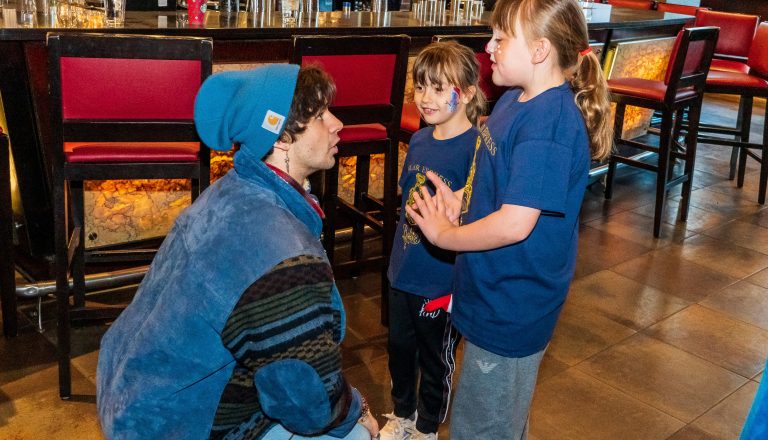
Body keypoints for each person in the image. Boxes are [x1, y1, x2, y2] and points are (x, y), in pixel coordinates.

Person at [96, 64, 380, 440]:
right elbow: (309, 404)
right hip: (174, 425)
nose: (337, 123)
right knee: (357, 435)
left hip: (129, 395)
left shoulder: (231, 193)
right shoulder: (282, 254)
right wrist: (358, 410)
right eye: (319, 116)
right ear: (280, 138)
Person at [405, 0, 612, 439]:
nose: (489, 46)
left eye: (501, 39)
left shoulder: (550, 123)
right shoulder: (513, 102)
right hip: (490, 291)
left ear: (539, 51)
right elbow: (497, 179)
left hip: (513, 305)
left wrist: (446, 234)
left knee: (483, 428)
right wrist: (460, 199)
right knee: (493, 418)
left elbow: (517, 222)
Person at [382, 41, 485, 440]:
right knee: (399, 350)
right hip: (403, 269)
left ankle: (426, 427)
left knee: (435, 356)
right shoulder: (421, 140)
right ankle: (402, 414)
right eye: (421, 87)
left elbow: (476, 216)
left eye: (440, 89)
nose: (426, 98)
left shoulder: (475, 150)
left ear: (467, 93)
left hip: (441, 280)